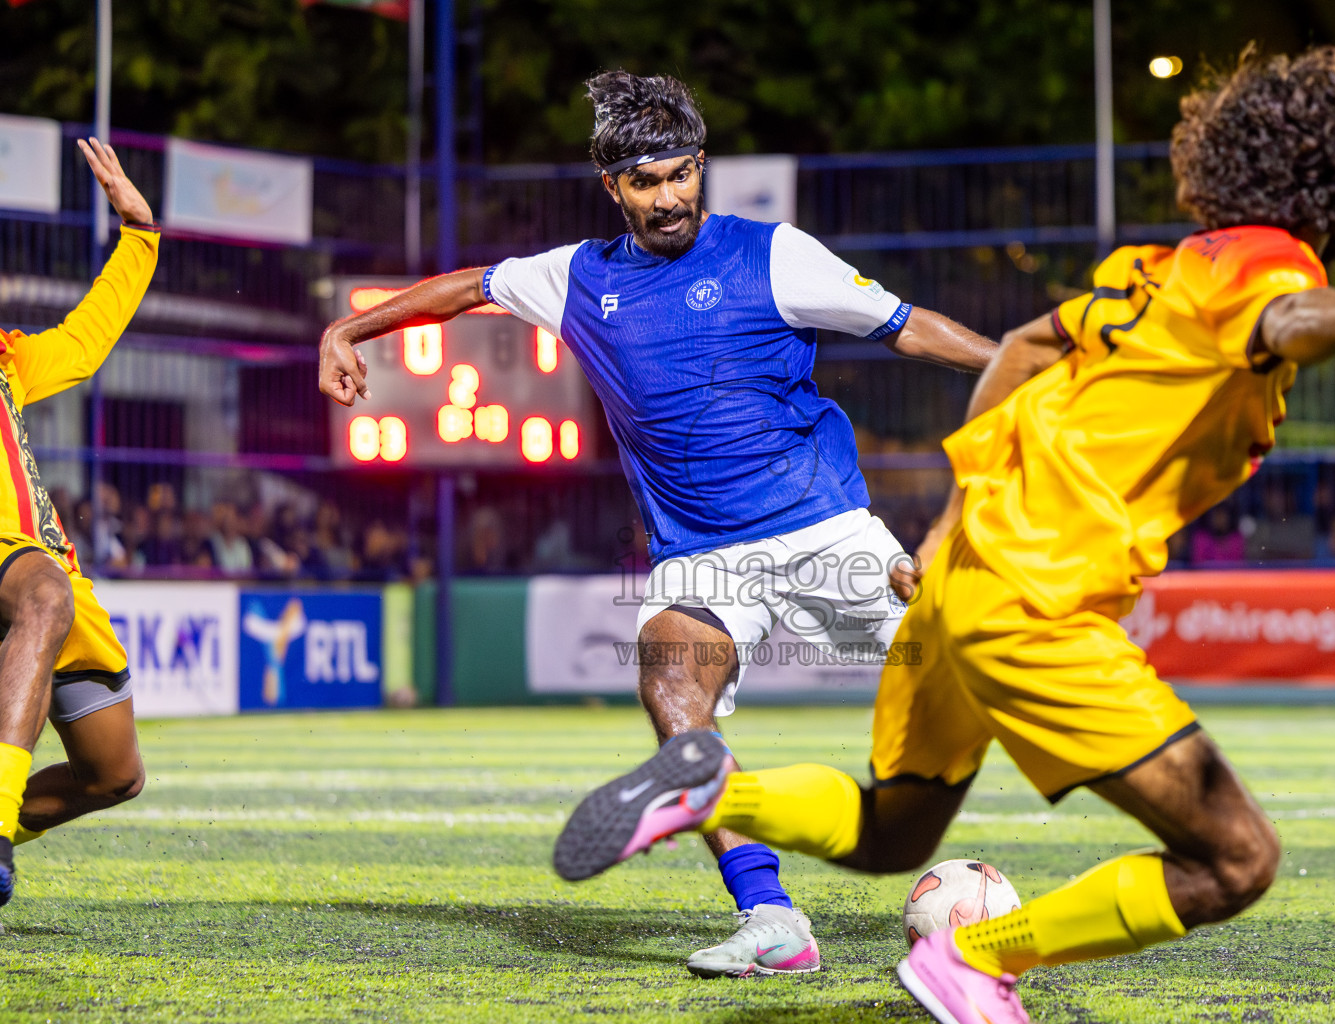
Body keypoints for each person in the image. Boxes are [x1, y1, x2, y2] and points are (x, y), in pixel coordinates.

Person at [554, 47, 1335, 1023]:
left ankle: (712, 788)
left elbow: (1028, 348)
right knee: (1238, 858)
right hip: (1037, 603)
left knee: (892, 831)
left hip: (966, 577)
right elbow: (1286, 318)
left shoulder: (1151, 271)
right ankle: (977, 959)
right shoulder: (1273, 263)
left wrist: (946, 524)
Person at [319, 71, 997, 977]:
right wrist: (350, 332)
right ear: (613, 187)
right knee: (671, 688)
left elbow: (910, 330)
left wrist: (1032, 377)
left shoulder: (775, 255)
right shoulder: (577, 279)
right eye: (646, 182)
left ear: (702, 167)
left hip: (826, 531)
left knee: (983, 672)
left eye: (681, 175)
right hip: (700, 558)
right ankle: (772, 919)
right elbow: (466, 290)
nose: (668, 196)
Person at [0, 138, 160, 904]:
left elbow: (87, 342)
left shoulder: (7, 359)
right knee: (44, 596)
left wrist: (140, 236)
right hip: (23, 571)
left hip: (44, 562)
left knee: (113, 771)